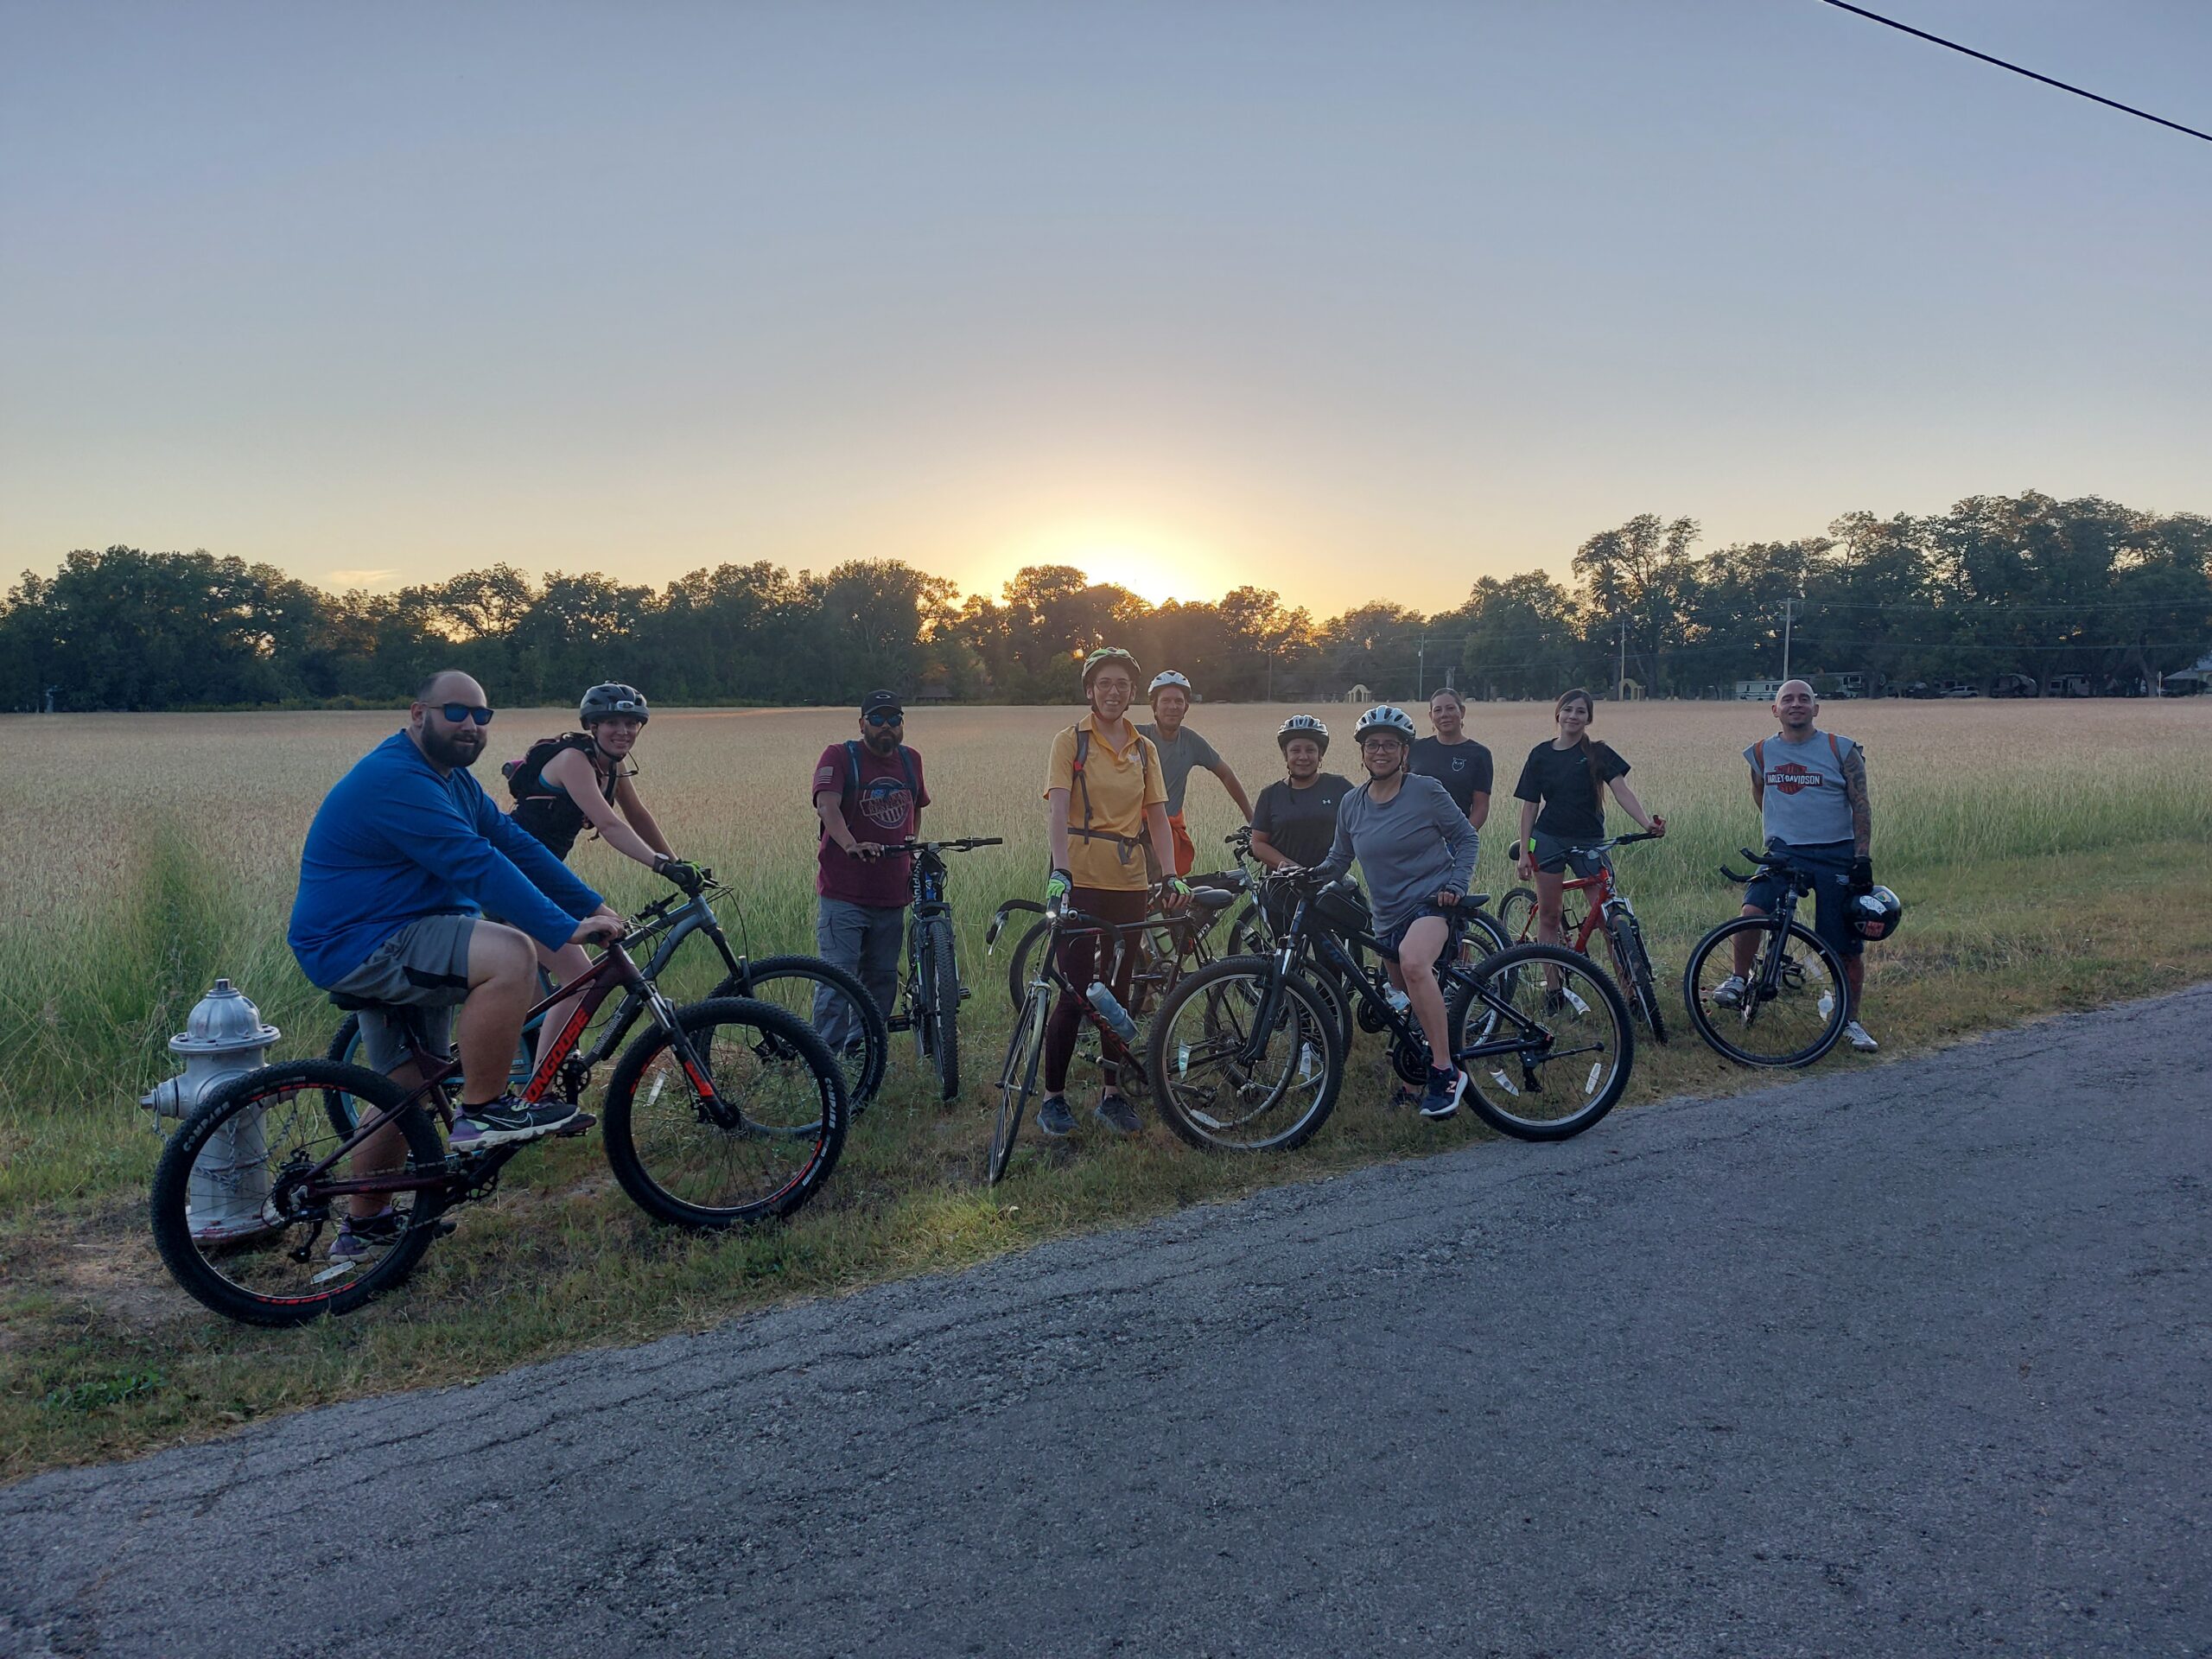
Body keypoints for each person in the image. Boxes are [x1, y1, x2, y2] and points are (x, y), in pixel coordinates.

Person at [288, 671, 626, 1258]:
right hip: (365, 938)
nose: (471, 724)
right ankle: (483, 1112)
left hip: (393, 933)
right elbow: (474, 864)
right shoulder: (399, 779)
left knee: (405, 1086)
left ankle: (363, 1226)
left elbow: (514, 847)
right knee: (511, 952)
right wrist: (559, 927)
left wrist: (591, 903)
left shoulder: (456, 782)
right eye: (456, 712)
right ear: (418, 714)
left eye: (482, 716)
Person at [505, 683, 702, 1077]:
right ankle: (543, 1083)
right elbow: (611, 825)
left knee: (568, 966)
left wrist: (679, 864)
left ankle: (542, 1059)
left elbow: (638, 816)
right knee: (578, 975)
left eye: (631, 723)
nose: (622, 730)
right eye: (611, 722)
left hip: (545, 879)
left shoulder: (612, 766)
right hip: (512, 878)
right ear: (592, 726)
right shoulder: (573, 760)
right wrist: (660, 866)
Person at [1040, 647, 1189, 1138]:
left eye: (1122, 684)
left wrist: (1168, 874)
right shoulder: (1070, 742)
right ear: (1090, 690)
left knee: (1119, 990)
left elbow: (1158, 819)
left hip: (1128, 882)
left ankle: (1112, 1093)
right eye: (1104, 683)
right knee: (1075, 989)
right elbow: (1058, 812)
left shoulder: (1143, 749)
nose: (1113, 691)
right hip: (1081, 878)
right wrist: (1060, 871)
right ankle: (1054, 1098)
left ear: (1131, 693)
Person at [1309, 705, 1479, 1120]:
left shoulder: (1426, 790)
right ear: (1362, 753)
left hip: (1431, 904)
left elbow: (1466, 837)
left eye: (1389, 745)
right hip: (1386, 917)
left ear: (1405, 752)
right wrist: (1305, 874)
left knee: (1415, 965)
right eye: (1372, 745)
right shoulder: (1352, 803)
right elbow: (1338, 859)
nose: (1380, 751)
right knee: (1404, 1006)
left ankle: (1446, 1072)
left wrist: (1456, 886)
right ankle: (1413, 1080)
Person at [1715, 678, 1880, 1052]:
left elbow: (1862, 805)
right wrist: (1780, 830)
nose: (1796, 705)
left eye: (1804, 699)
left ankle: (1850, 1020)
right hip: (1785, 851)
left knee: (1845, 946)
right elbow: (1761, 792)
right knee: (1753, 909)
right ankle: (1739, 979)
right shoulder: (1760, 752)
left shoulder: (1842, 749)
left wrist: (1862, 857)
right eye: (1787, 699)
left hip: (1836, 851)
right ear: (1775, 710)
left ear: (1816, 709)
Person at [812, 690, 931, 1052]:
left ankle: (862, 1054)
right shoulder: (840, 756)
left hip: (892, 894)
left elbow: (915, 806)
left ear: (902, 725)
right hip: (844, 894)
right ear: (862, 723)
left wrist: (911, 845)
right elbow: (826, 805)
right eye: (877, 719)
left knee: (880, 981)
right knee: (837, 981)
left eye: (894, 720)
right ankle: (824, 1060)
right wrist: (851, 844)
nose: (886, 727)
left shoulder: (910, 760)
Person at [1511, 688, 1664, 950]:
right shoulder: (1540, 754)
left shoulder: (1598, 753)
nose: (1573, 716)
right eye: (1568, 710)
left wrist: (1646, 823)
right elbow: (1530, 806)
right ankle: (1554, 988)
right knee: (1550, 915)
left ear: (1588, 719)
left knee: (1608, 919)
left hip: (1590, 841)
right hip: (1548, 840)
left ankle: (1629, 989)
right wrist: (1525, 851)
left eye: (1580, 711)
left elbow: (1621, 791)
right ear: (1558, 714)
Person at [1136, 671, 1252, 878]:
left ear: (1186, 708)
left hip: (1168, 836)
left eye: (1178, 702)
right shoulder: (1136, 736)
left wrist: (1253, 820)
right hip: (1134, 836)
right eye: (1166, 701)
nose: (1172, 707)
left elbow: (1226, 774)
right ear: (1154, 706)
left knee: (1169, 899)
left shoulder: (1191, 742)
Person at [1249, 715, 1354, 872]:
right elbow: (1258, 844)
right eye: (1295, 750)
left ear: (1320, 754)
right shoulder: (1270, 795)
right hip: (1282, 886)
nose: (1303, 757)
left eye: (1310, 750)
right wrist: (1293, 868)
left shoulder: (1339, 787)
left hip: (1329, 884)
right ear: (1286, 755)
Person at [1409, 687, 1493, 831]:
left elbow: (1481, 806)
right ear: (1431, 716)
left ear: (1462, 712)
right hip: (1414, 836)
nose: (1444, 715)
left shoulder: (1479, 754)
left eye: (1450, 708)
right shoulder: (1415, 748)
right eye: (1438, 710)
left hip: (1453, 839)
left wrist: (1464, 838)